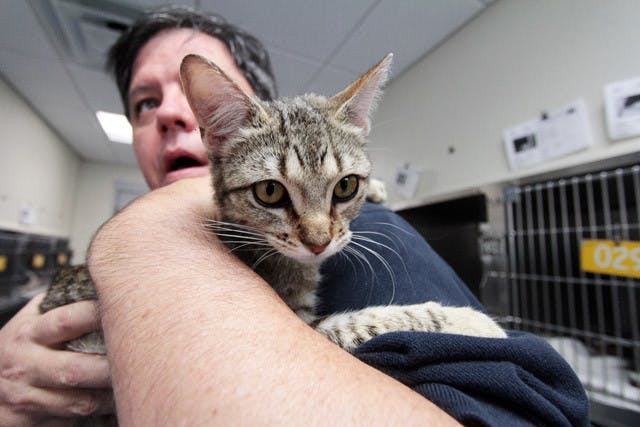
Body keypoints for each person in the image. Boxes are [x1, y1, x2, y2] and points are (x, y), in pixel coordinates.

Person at [0, 6, 589, 426]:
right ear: (221, 133)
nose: (317, 235)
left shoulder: (381, 235)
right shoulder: (211, 234)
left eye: (344, 188)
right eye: (144, 102)